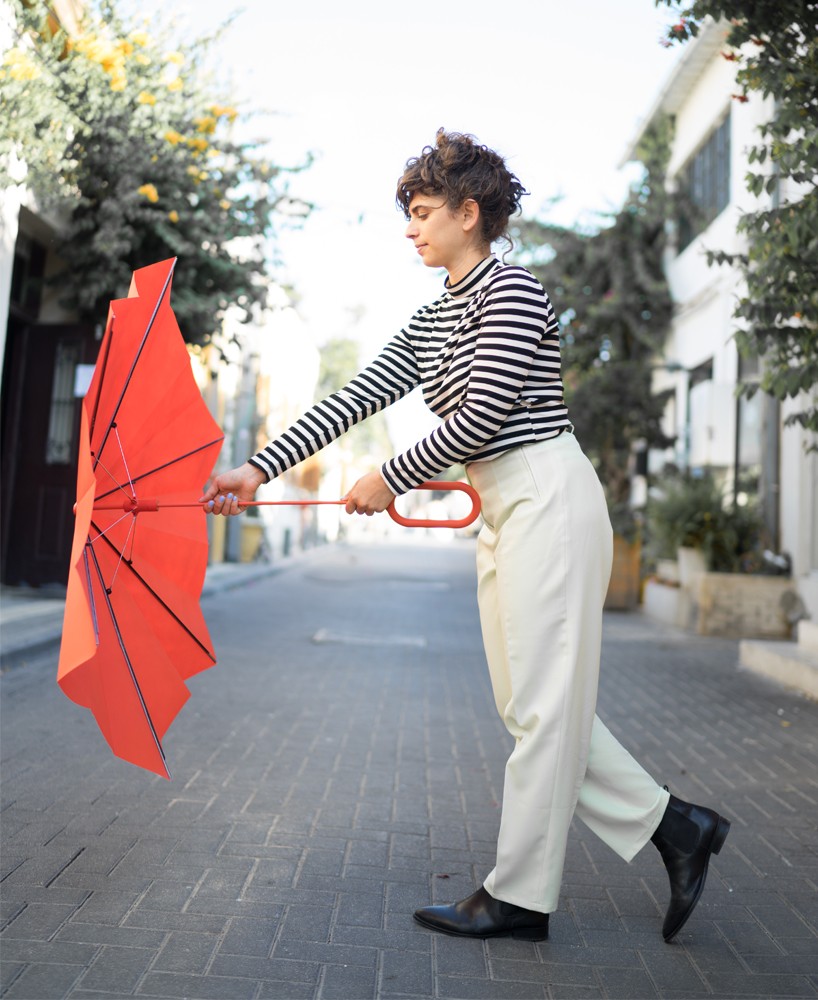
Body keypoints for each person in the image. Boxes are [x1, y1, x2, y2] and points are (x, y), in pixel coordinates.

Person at [201, 129, 730, 943]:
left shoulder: (512, 290)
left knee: (544, 712)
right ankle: (678, 828)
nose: (410, 228)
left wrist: (391, 476)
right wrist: (257, 468)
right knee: (531, 708)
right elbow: (359, 394)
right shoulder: (436, 313)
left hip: (548, 494)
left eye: (422, 212)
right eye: (409, 214)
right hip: (504, 505)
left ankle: (519, 896)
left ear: (468, 212)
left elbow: (482, 413)